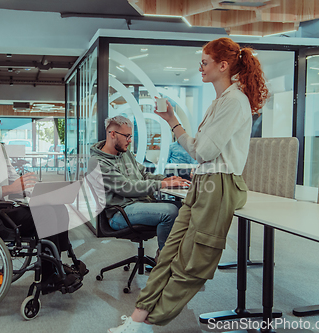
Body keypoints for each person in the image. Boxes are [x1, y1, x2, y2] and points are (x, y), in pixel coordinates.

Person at [108, 37, 268, 332]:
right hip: (205, 181)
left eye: (205, 62)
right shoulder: (220, 101)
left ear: (223, 65)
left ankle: (148, 322)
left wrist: (176, 124)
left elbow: (202, 151)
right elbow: (200, 150)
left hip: (219, 184)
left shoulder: (234, 101)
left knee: (193, 261)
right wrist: (172, 119)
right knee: (169, 254)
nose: (200, 67)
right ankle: (136, 321)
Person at [0, 99, 86, 294]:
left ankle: (57, 263)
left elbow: (13, 178)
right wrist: (9, 190)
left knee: (57, 207)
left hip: (5, 205)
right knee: (46, 215)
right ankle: (51, 276)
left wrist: (33, 191)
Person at [88, 115, 191, 258]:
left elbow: (143, 174)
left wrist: (166, 179)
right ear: (112, 134)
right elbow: (126, 187)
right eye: (127, 136)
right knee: (170, 211)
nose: (130, 141)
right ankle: (165, 260)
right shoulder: (98, 162)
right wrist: (162, 184)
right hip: (119, 213)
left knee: (184, 208)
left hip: (138, 204)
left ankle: (172, 256)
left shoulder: (124, 153)